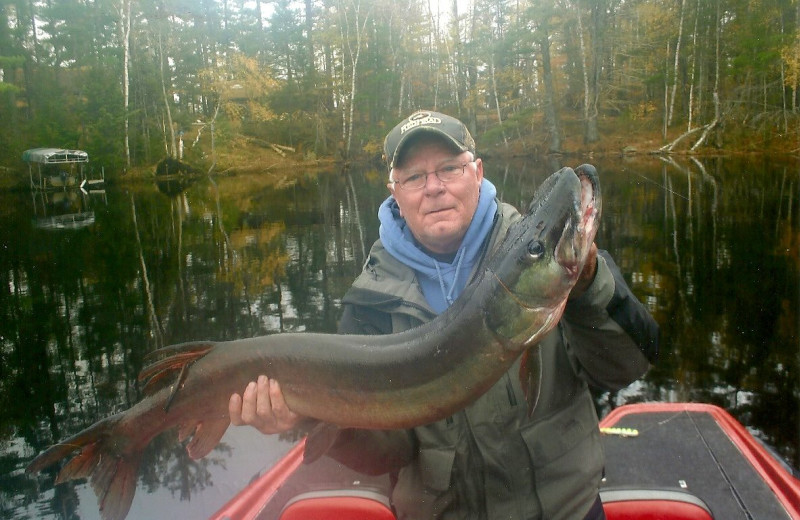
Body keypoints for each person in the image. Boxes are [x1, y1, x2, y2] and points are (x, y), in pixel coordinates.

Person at [228, 110, 659, 520]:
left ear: (478, 172)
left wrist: (589, 286)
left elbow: (627, 367)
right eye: (414, 176)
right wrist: (313, 415)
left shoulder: (542, 259)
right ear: (394, 192)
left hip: (566, 512)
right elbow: (388, 452)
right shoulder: (370, 305)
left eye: (449, 168)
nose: (433, 187)